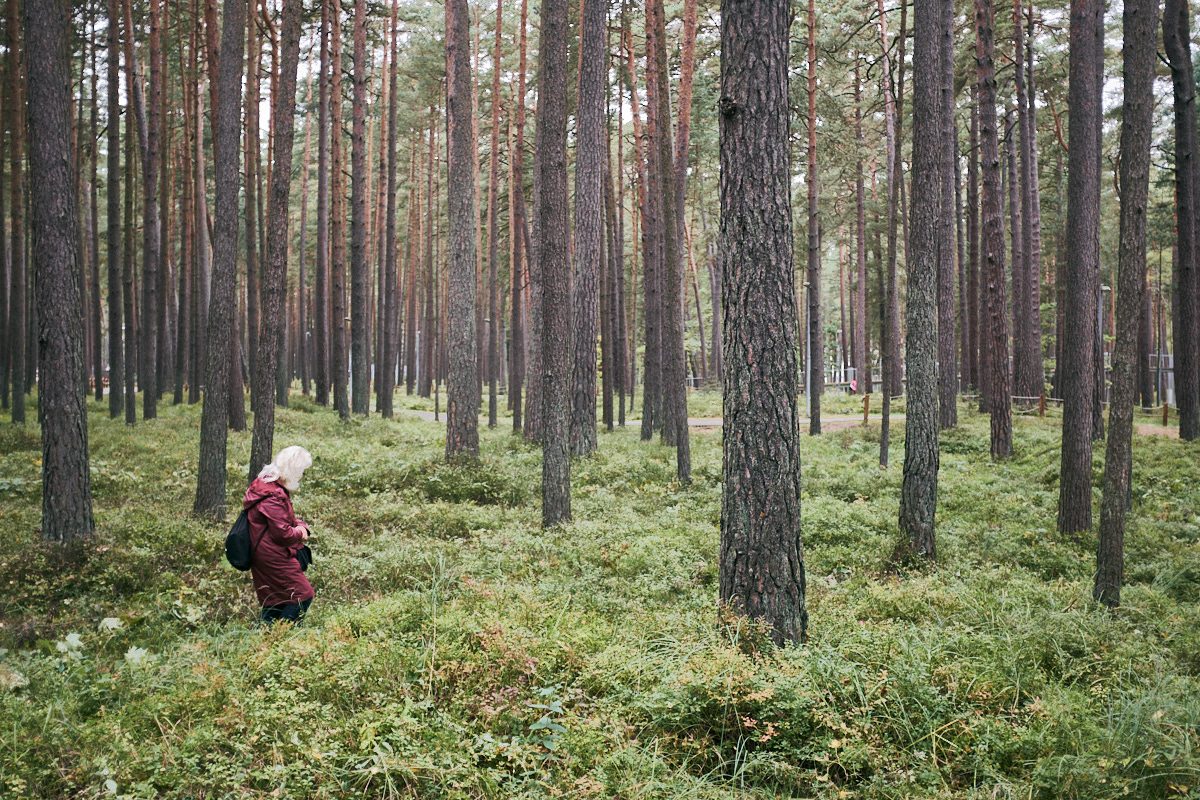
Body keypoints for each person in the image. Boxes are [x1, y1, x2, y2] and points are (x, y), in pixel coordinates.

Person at [243, 446, 315, 624]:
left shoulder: (269, 487)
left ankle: (265, 639)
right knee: (302, 595)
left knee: (275, 599)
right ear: (293, 470)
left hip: (265, 551)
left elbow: (281, 520)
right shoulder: (272, 495)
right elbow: (282, 533)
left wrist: (300, 524)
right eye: (301, 471)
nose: (302, 476)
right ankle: (280, 637)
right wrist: (300, 532)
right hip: (273, 555)